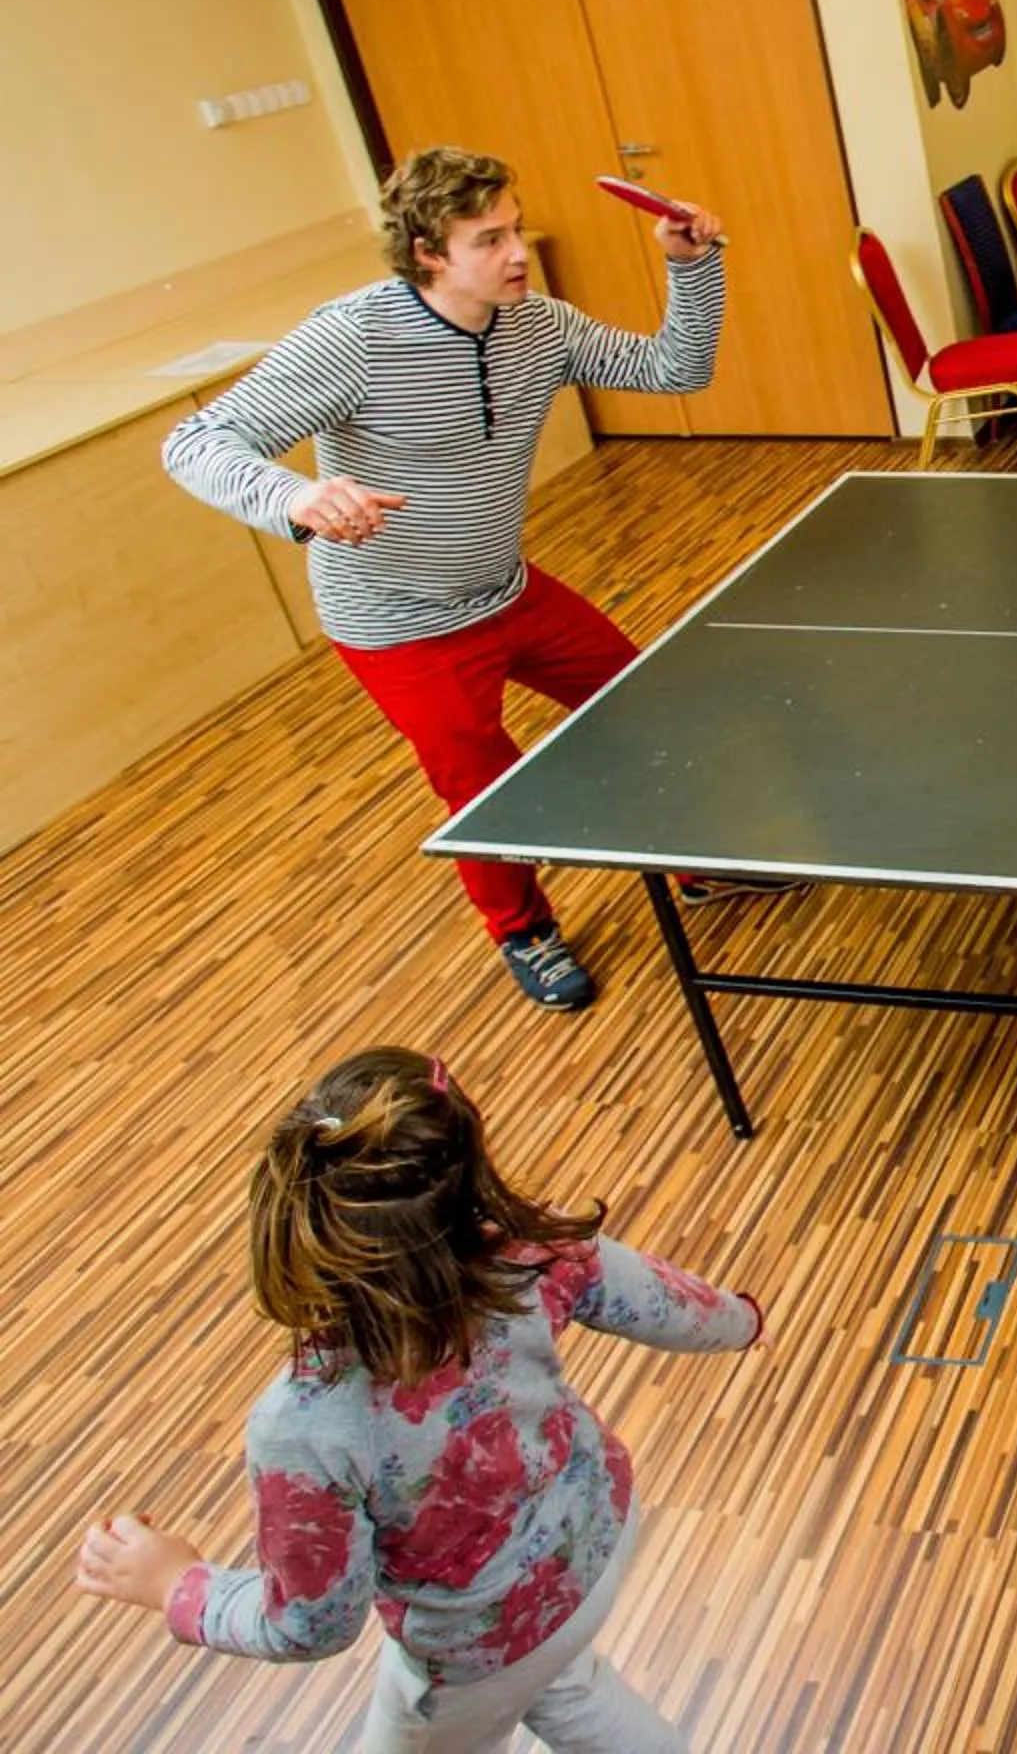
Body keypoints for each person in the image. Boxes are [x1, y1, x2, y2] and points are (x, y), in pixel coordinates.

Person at [161, 145, 781, 1011]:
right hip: (397, 618)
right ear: (427, 252)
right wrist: (296, 494)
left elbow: (674, 371)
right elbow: (193, 442)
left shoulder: (540, 326)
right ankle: (523, 931)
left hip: (506, 586)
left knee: (649, 706)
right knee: (486, 786)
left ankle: (695, 866)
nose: (518, 252)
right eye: (489, 239)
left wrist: (692, 270)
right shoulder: (353, 338)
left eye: (515, 229)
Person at [72, 1046, 762, 1750]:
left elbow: (311, 1625)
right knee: (561, 1680)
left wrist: (179, 1585)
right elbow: (676, 1308)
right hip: (598, 1540)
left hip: (475, 1646)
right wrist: (746, 1320)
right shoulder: (529, 1247)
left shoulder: (303, 1426)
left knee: (528, 1681)